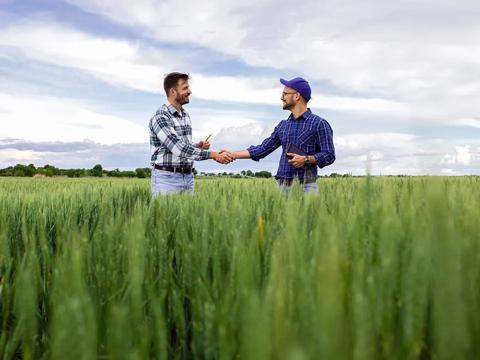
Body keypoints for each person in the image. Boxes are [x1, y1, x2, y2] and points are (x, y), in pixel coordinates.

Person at [227, 77, 335, 193]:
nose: (281, 97)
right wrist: (232, 154)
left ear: (297, 96)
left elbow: (329, 155)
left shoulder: (319, 123)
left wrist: (306, 159)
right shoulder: (282, 126)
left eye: (285, 94)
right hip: (282, 186)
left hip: (307, 187)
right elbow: (262, 149)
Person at [149, 72, 233, 196]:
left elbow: (183, 145)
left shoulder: (185, 115)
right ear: (173, 91)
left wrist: (197, 146)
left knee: (187, 215)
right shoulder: (161, 117)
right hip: (167, 179)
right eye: (185, 88)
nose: (190, 91)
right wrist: (214, 154)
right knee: (167, 215)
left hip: (188, 177)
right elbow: (178, 148)